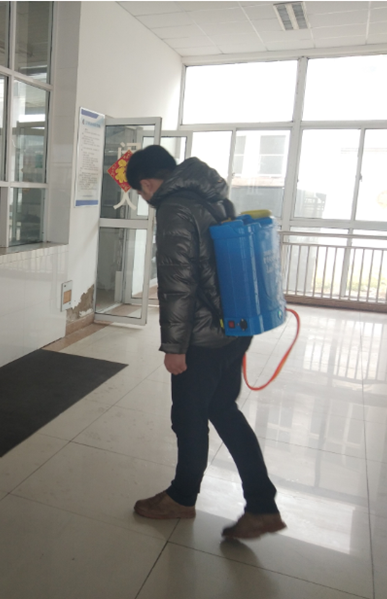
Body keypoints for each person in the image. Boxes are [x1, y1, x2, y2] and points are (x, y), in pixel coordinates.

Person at [125, 145, 286, 540]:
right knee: (223, 410)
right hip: (234, 326)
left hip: (203, 337)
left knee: (188, 417)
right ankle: (262, 505)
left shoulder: (174, 208)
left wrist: (175, 347)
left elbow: (178, 283)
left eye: (140, 192)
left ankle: (182, 498)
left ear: (147, 183)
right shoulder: (214, 199)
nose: (144, 198)